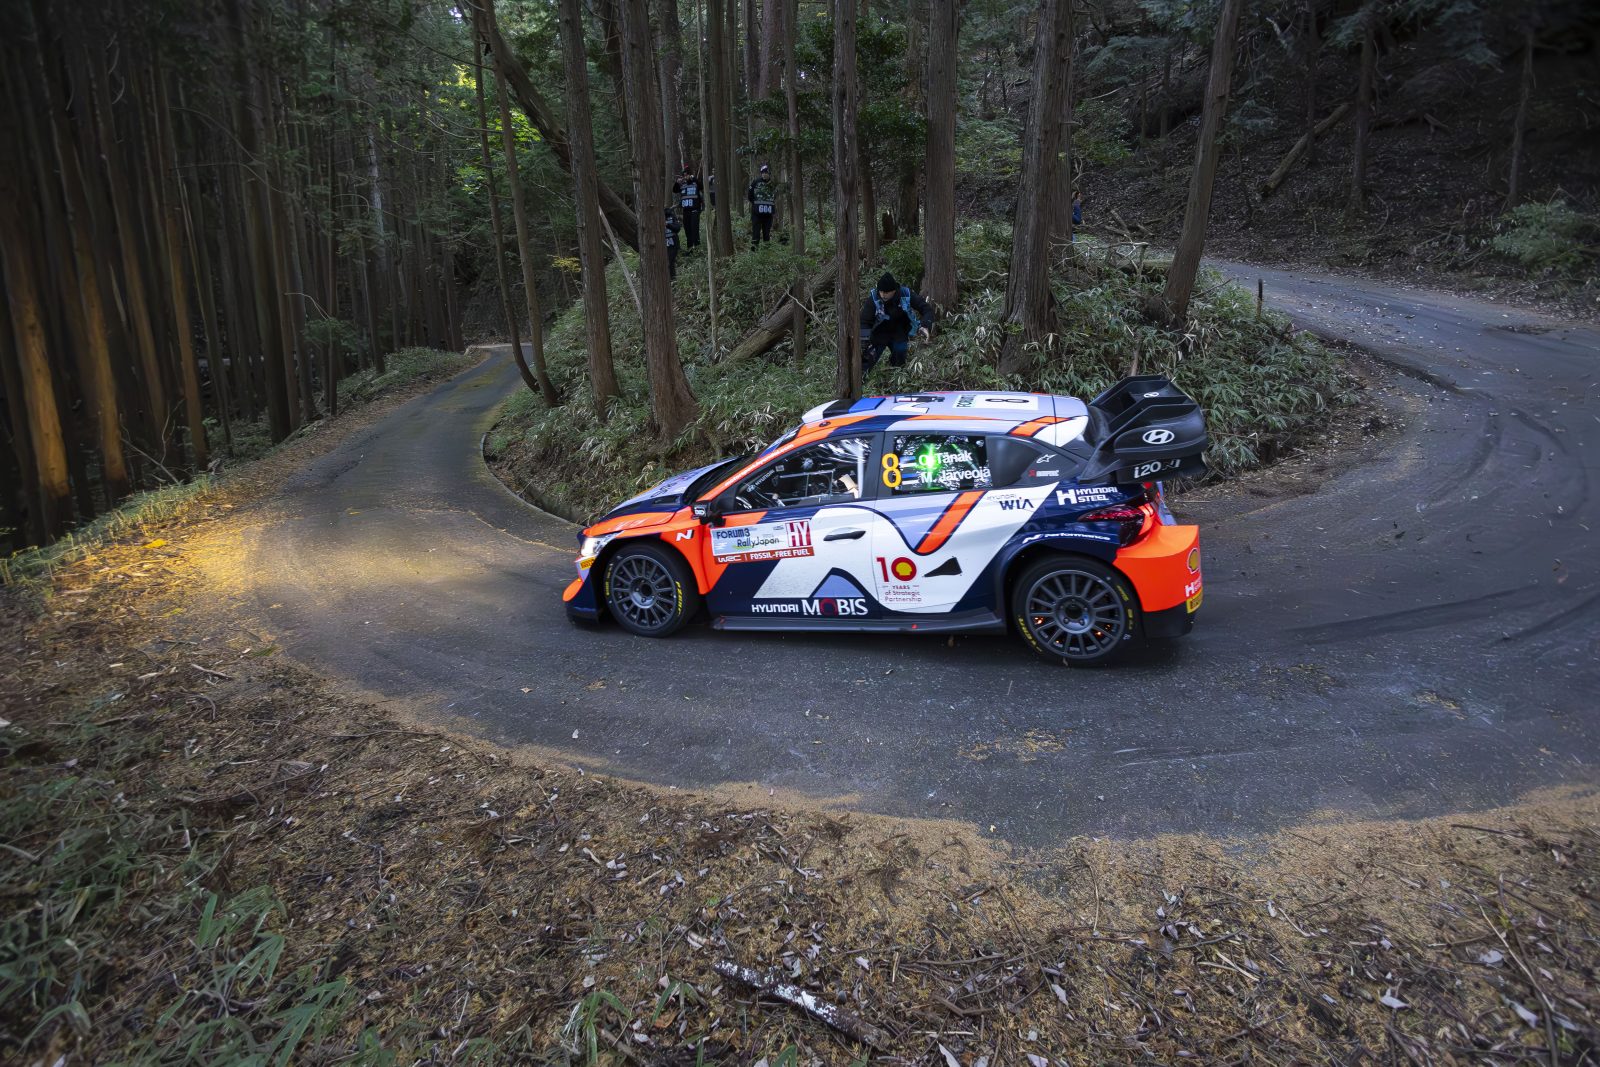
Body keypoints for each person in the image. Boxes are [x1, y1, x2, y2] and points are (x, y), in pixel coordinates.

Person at [858, 272, 933, 375]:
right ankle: (861, 379)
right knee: (867, 359)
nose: (883, 295)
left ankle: (896, 374)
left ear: (894, 290)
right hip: (878, 332)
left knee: (900, 355)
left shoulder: (905, 294)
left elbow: (926, 309)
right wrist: (864, 342)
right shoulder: (874, 299)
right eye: (881, 291)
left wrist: (925, 325)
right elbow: (864, 321)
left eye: (886, 292)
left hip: (899, 330)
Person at [672, 164, 703, 250]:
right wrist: (677, 183)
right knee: (687, 230)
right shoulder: (682, 184)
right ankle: (690, 249)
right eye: (684, 175)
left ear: (690, 174)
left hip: (695, 210)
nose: (685, 177)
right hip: (685, 211)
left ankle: (696, 248)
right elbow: (675, 190)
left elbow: (701, 187)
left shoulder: (695, 182)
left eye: (687, 175)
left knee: (694, 229)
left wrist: (694, 178)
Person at [748, 163, 775, 247]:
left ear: (769, 173)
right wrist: (756, 204)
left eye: (766, 172)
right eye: (762, 172)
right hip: (757, 213)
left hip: (768, 214)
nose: (764, 174)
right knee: (756, 233)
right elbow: (750, 195)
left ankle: (766, 251)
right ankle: (754, 251)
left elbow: (775, 196)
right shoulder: (755, 182)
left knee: (766, 234)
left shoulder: (772, 184)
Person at [665, 206, 681, 278]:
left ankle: (672, 279)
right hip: (662, 245)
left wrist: (668, 225)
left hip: (673, 244)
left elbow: (677, 228)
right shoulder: (654, 217)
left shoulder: (672, 216)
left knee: (670, 262)